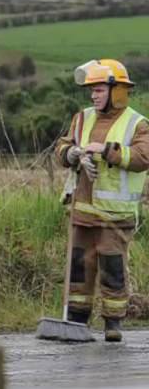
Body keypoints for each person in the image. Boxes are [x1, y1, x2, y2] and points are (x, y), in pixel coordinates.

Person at [54, 59, 148, 342]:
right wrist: (71, 155)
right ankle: (77, 320)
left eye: (98, 90)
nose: (93, 95)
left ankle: (113, 324)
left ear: (116, 91)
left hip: (114, 216)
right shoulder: (82, 118)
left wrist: (106, 151)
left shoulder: (138, 123)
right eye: (91, 91)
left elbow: (143, 157)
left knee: (112, 269)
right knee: (79, 269)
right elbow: (62, 146)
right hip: (82, 211)